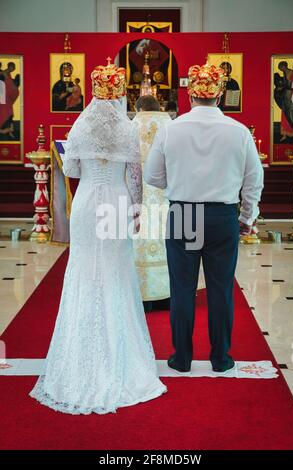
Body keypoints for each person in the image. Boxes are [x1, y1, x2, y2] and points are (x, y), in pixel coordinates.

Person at [30, 59, 166, 415]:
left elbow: (72, 168)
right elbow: (135, 177)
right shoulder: (126, 128)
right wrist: (137, 212)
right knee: (116, 272)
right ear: (119, 93)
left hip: (89, 204)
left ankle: (77, 359)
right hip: (119, 204)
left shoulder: (81, 124)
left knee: (84, 271)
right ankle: (119, 356)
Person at [145, 62, 264, 373]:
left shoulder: (171, 129)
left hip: (184, 212)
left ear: (189, 95)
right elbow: (255, 178)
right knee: (221, 288)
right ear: (221, 94)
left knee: (182, 288)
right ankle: (221, 359)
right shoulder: (238, 131)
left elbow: (152, 176)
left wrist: (179, 183)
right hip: (223, 215)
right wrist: (247, 215)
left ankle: (181, 358)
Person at [132, 95, 171, 311]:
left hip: (139, 196)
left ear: (137, 108)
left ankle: (142, 295)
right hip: (165, 195)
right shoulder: (171, 125)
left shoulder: (131, 126)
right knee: (166, 243)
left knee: (139, 241)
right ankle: (166, 295)